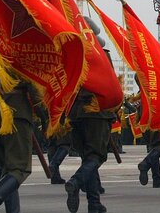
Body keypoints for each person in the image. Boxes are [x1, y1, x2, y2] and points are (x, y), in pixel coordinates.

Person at [64, 28, 117, 213]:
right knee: (95, 157)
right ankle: (76, 181)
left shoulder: (69, 53)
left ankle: (94, 203)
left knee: (88, 158)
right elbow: (110, 84)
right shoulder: (101, 55)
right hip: (96, 112)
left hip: (75, 113)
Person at [0, 69, 37, 213]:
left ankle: (13, 209)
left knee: (7, 166)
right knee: (19, 168)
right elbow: (34, 84)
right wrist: (45, 115)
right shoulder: (18, 51)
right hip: (16, 112)